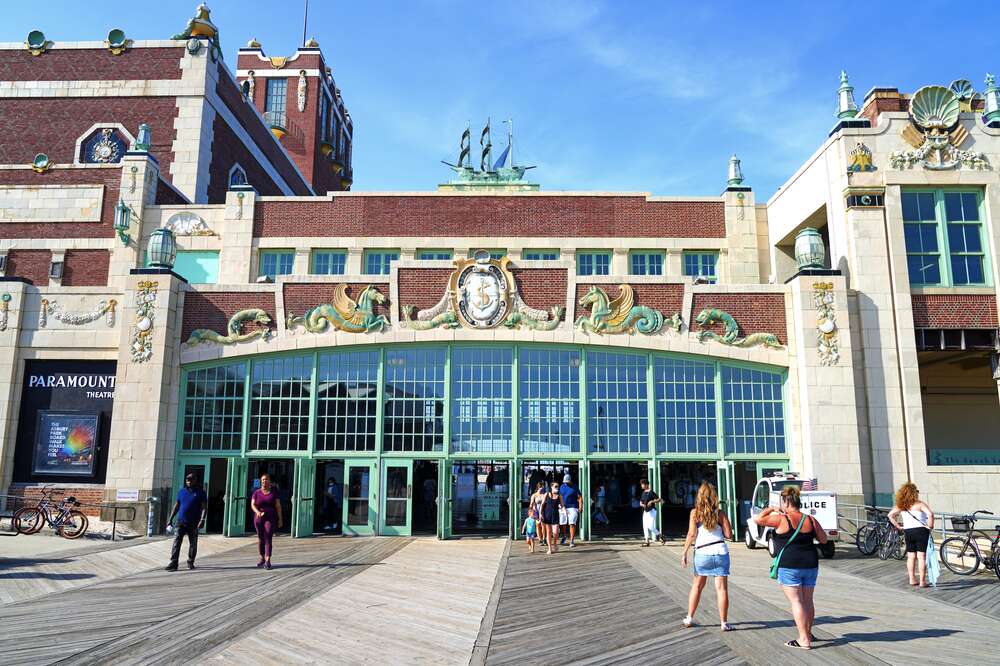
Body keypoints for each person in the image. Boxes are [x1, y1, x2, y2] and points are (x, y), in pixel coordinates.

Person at [754, 485, 827, 650]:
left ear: (786, 502)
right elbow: (823, 539)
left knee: (796, 601)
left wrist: (771, 508)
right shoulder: (810, 519)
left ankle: (803, 639)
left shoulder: (781, 519)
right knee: (808, 600)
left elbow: (758, 519)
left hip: (789, 565)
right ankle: (807, 633)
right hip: (810, 564)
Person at [680, 482, 733, 631]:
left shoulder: (694, 513)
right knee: (721, 589)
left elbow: (691, 534)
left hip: (702, 553)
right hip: (720, 552)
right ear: (714, 497)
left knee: (697, 586)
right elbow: (729, 535)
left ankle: (689, 617)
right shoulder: (720, 514)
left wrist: (684, 553)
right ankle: (724, 623)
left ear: (700, 496)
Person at [888, 482, 934, 587]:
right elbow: (930, 514)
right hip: (921, 531)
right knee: (921, 556)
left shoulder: (902, 505)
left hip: (908, 531)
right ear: (914, 493)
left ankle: (912, 579)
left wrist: (898, 526)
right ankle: (922, 581)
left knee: (911, 556)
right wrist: (930, 526)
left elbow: (890, 515)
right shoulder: (920, 504)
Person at [165, 472, 207, 571]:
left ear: (195, 480)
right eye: (187, 479)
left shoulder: (201, 492)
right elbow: (177, 505)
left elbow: (204, 507)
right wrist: (170, 519)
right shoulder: (182, 491)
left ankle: (190, 561)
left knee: (193, 543)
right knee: (176, 542)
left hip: (193, 522)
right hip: (181, 521)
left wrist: (202, 519)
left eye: (191, 479)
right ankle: (173, 563)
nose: (188, 481)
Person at [251, 473, 283, 569]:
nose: (265, 481)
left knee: (268, 537)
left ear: (270, 481)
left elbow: (278, 506)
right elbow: (253, 505)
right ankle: (262, 558)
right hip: (259, 517)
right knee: (260, 538)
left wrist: (280, 518)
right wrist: (257, 512)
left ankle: (268, 560)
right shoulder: (256, 492)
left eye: (267, 479)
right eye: (263, 479)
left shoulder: (274, 492)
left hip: (270, 517)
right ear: (261, 481)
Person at [639, 479, 667, 546]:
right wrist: (643, 505)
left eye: (642, 484)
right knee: (645, 526)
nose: (641, 486)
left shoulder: (651, 492)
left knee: (651, 527)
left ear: (646, 485)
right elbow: (640, 502)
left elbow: (659, 499)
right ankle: (647, 541)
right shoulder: (643, 492)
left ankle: (660, 535)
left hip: (652, 511)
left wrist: (652, 501)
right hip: (645, 511)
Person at [540, 482, 565, 555]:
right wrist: (540, 514)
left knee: (556, 532)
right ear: (551, 487)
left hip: (555, 515)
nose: (557, 488)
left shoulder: (559, 496)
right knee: (548, 532)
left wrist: (564, 511)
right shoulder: (547, 494)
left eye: (558, 486)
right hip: (547, 515)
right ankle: (550, 548)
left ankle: (555, 544)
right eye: (556, 486)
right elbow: (542, 504)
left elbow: (562, 505)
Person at [559, 474, 581, 547]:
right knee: (562, 524)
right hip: (563, 507)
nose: (566, 483)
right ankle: (564, 536)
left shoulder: (575, 487)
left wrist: (580, 506)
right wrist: (561, 506)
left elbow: (579, 497)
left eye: (567, 481)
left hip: (573, 507)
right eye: (565, 481)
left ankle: (571, 540)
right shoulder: (562, 486)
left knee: (572, 523)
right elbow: (560, 496)